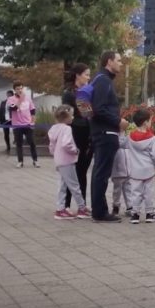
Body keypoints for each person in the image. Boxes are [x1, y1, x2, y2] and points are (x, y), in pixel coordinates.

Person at [90, 51, 129, 222]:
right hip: (106, 132)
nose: (121, 64)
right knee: (101, 173)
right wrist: (118, 121)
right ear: (109, 61)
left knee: (100, 172)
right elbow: (99, 108)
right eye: (119, 60)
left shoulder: (102, 80)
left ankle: (99, 210)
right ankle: (99, 211)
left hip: (104, 131)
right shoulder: (103, 81)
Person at [48, 105, 91, 220]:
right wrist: (75, 150)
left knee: (62, 185)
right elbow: (66, 144)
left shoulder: (53, 129)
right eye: (71, 115)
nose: (73, 117)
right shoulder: (67, 129)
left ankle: (60, 209)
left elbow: (51, 145)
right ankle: (82, 208)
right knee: (74, 185)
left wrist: (54, 154)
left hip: (59, 160)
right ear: (66, 117)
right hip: (67, 160)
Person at [62, 63, 93, 211]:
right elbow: (84, 113)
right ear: (77, 75)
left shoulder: (84, 91)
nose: (88, 77)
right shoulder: (71, 93)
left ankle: (82, 205)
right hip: (76, 134)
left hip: (87, 133)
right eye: (86, 74)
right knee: (72, 171)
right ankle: (66, 204)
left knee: (82, 171)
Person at [123, 108, 155, 224]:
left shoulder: (130, 137)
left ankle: (135, 214)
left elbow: (123, 144)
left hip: (135, 170)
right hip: (149, 170)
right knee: (149, 192)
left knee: (135, 192)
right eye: (150, 120)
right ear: (145, 122)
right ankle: (150, 213)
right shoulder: (151, 138)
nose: (151, 122)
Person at [7, 81, 39, 168]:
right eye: (18, 89)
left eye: (21, 88)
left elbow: (32, 110)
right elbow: (13, 108)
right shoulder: (11, 99)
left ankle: (35, 160)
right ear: (14, 90)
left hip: (28, 124)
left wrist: (33, 121)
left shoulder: (28, 98)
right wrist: (20, 99)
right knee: (19, 144)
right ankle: (20, 161)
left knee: (32, 142)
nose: (20, 90)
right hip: (17, 125)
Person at [110, 138, 133, 217]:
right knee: (117, 190)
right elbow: (121, 144)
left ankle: (130, 206)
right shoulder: (115, 137)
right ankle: (116, 206)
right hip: (118, 170)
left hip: (128, 170)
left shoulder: (127, 138)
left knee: (128, 189)